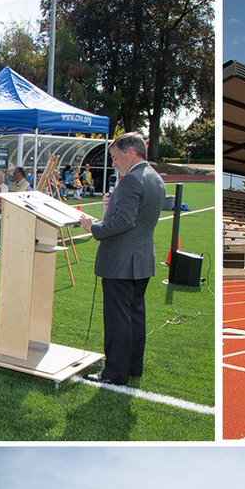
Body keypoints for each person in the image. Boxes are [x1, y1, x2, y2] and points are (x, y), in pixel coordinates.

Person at [76, 133, 167, 385]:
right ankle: (133, 366)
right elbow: (135, 216)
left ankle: (114, 373)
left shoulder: (131, 181)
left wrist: (93, 227)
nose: (114, 163)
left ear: (131, 152)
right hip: (141, 260)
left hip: (120, 262)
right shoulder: (156, 179)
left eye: (116, 157)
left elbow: (124, 222)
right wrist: (112, 204)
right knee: (135, 317)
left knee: (118, 320)